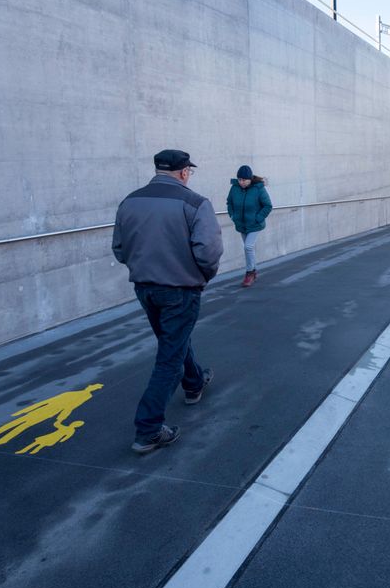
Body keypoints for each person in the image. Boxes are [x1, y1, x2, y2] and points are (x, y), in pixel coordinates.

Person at [112, 149, 223, 454]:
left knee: (173, 340)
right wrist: (201, 275)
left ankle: (194, 381)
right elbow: (209, 250)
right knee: (169, 356)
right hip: (180, 288)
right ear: (184, 172)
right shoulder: (195, 203)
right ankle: (147, 429)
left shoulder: (130, 201)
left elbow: (119, 248)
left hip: (145, 287)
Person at [226, 164, 272, 288]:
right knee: (248, 249)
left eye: (244, 180)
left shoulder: (258, 188)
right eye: (239, 179)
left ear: (250, 179)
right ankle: (253, 270)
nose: (241, 182)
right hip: (241, 224)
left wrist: (258, 218)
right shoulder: (234, 188)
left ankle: (249, 273)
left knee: (248, 247)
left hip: (255, 225)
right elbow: (229, 202)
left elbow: (268, 205)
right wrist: (233, 216)